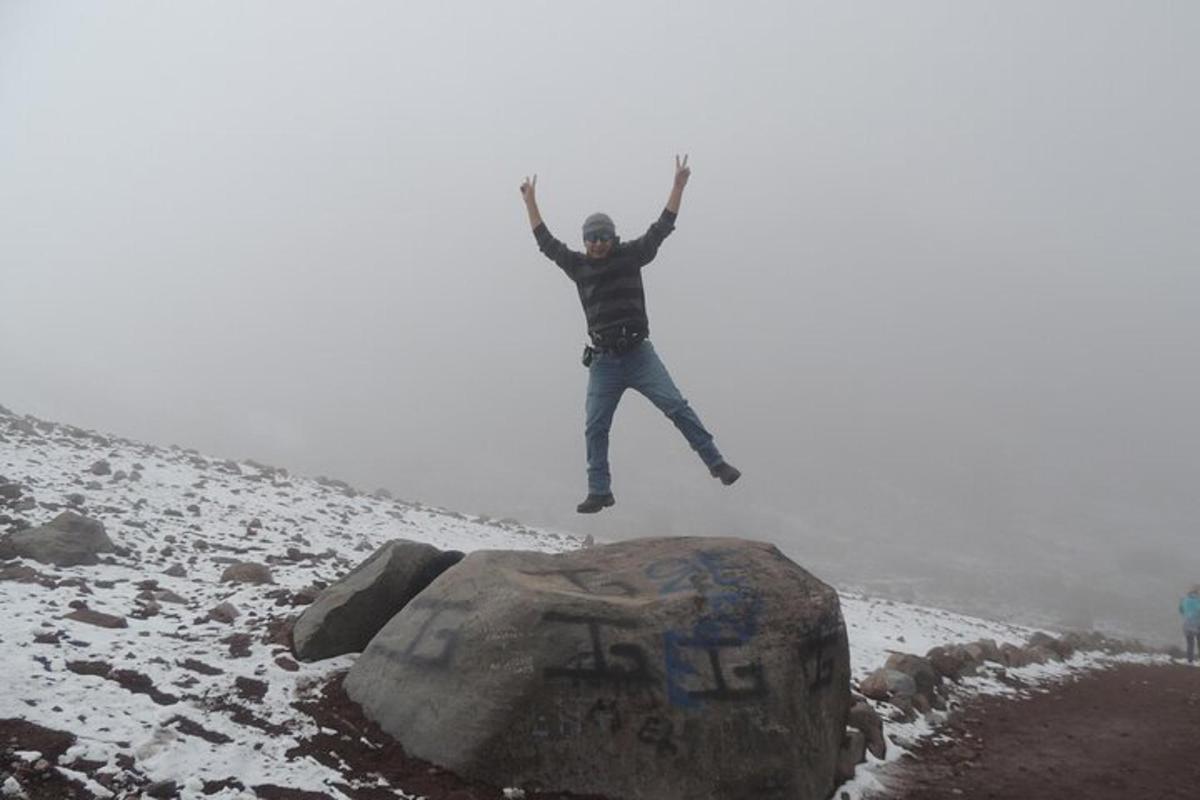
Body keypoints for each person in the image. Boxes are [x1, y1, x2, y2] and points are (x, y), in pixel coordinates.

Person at [520, 156, 740, 513]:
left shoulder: (631, 256)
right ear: (585, 240)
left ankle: (716, 463)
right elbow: (546, 243)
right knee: (595, 427)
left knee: (677, 407)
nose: (597, 243)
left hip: (639, 355)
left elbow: (662, 227)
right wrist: (531, 203)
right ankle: (599, 490)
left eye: (603, 236)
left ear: (613, 236)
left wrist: (678, 187)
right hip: (604, 362)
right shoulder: (577, 266)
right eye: (591, 237)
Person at [1179, 586, 1200, 663]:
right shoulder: (1198, 600)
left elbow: (1181, 610)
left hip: (1186, 626)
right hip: (1197, 625)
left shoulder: (1184, 600)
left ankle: (1190, 661)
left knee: (1190, 644)